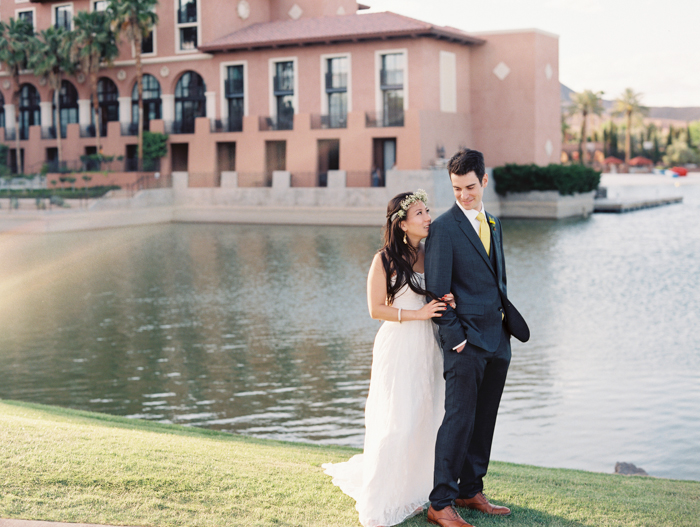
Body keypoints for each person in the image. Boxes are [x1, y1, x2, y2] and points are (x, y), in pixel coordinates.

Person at [323, 190, 453, 527]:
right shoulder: (383, 260)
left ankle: (415, 487)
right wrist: (419, 314)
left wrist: (443, 301)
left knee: (426, 415)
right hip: (398, 346)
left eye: (428, 211)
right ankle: (380, 497)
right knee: (397, 421)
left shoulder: (430, 253)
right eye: (421, 213)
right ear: (402, 224)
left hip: (427, 345)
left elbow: (432, 296)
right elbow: (374, 309)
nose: (428, 218)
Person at [424, 148, 529, 527]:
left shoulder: (495, 223)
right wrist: (456, 339)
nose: (464, 195)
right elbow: (436, 290)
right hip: (465, 344)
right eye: (456, 189)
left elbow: (496, 280)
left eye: (469, 187)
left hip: (499, 340)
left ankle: (470, 490)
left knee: (484, 419)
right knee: (458, 420)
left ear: (484, 181)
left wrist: (504, 332)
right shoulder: (443, 229)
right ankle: (440, 502)